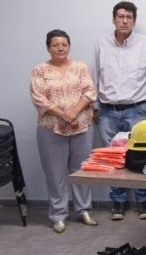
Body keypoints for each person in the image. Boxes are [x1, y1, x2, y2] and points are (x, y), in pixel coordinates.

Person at [94, 1, 146, 221]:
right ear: (113, 19)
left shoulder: (145, 44)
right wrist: (95, 106)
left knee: (141, 156)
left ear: (134, 20)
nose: (124, 21)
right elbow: (96, 75)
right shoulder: (102, 43)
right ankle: (118, 201)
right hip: (108, 111)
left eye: (129, 17)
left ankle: (144, 201)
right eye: (121, 16)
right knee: (111, 158)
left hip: (138, 109)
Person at [30, 29, 98, 234]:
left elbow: (90, 92)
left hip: (82, 127)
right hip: (51, 129)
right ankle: (58, 215)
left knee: (82, 171)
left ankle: (84, 210)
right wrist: (64, 115)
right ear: (48, 47)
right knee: (55, 173)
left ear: (69, 46)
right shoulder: (40, 70)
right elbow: (38, 98)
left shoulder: (80, 67)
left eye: (64, 44)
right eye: (55, 45)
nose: (60, 48)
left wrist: (74, 112)